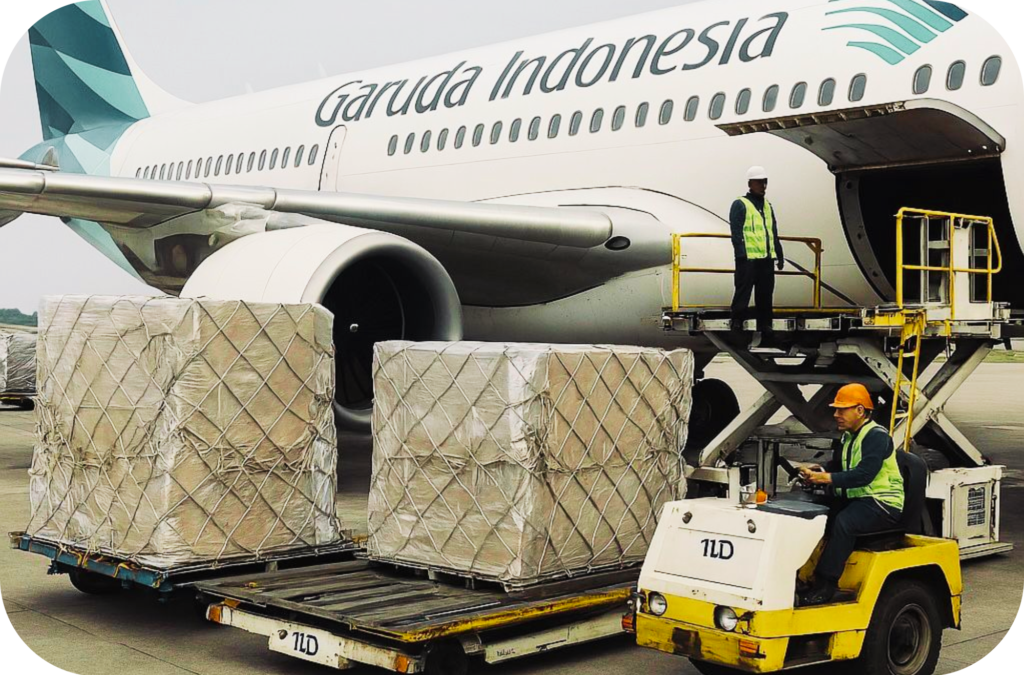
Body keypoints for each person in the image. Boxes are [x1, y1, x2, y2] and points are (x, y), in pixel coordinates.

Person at [798, 384, 905, 606]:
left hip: (883, 503)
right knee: (814, 513)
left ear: (860, 410)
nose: (836, 414)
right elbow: (840, 466)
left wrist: (825, 478)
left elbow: (864, 475)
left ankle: (826, 585)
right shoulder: (848, 436)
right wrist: (819, 470)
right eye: (836, 409)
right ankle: (801, 573)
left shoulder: (876, 436)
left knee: (845, 522)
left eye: (842, 409)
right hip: (859, 498)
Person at [730, 166, 785, 346]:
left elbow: (773, 232)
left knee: (765, 294)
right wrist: (742, 254)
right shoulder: (740, 204)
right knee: (743, 290)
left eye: (764, 182)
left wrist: (779, 254)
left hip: (766, 259)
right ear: (750, 184)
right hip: (748, 258)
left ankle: (765, 325)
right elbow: (736, 232)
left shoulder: (767, 206)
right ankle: (737, 321)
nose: (763, 186)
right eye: (759, 182)